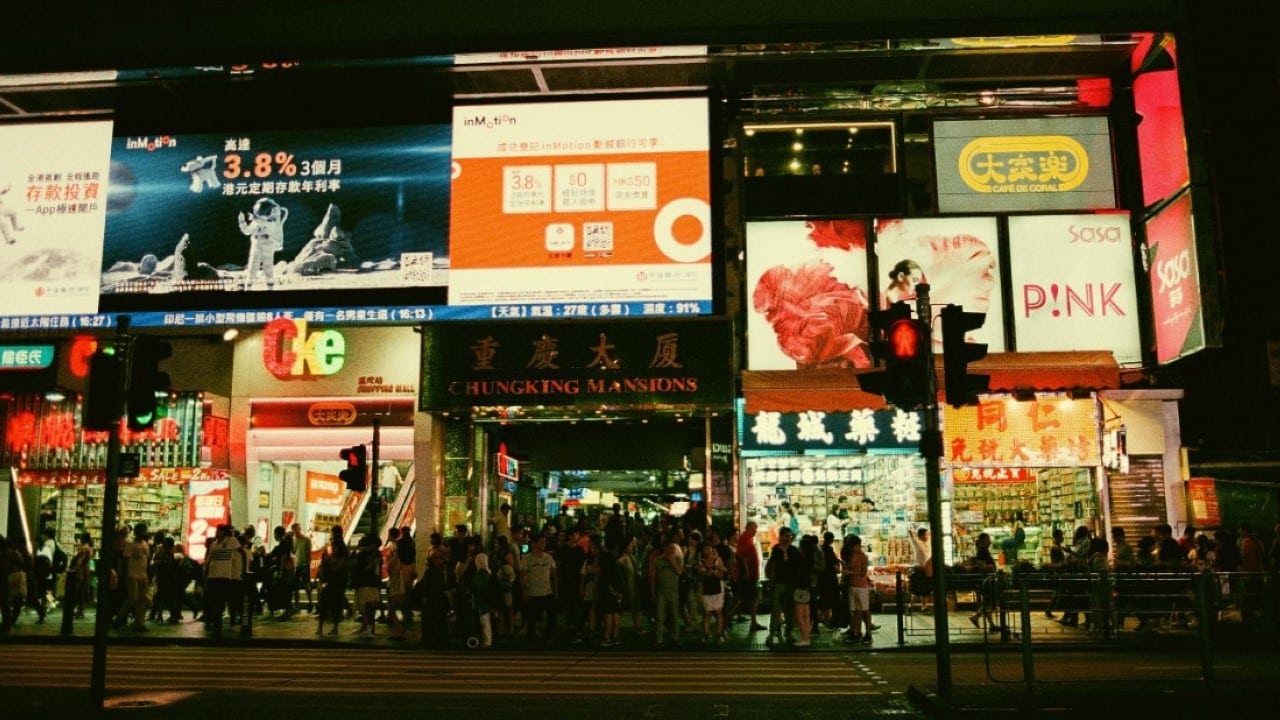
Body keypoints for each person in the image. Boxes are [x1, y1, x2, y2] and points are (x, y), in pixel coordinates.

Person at [203, 524, 243, 635]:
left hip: (224, 576)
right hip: (213, 576)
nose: (217, 533)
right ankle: (216, 624)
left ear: (224, 532)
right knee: (214, 601)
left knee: (220, 601)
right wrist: (205, 575)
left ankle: (218, 624)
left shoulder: (231, 541)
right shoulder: (213, 545)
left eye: (219, 531)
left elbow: (241, 551)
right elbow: (209, 561)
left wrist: (243, 569)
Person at [521, 534, 557, 646]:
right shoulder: (527, 559)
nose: (544, 544)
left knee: (550, 616)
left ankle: (548, 637)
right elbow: (522, 577)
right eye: (541, 542)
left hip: (547, 592)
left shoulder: (548, 558)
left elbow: (554, 575)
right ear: (534, 544)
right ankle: (532, 639)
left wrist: (556, 591)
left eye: (544, 542)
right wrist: (524, 592)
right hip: (533, 593)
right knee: (532, 617)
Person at [649, 532, 684, 649]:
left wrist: (672, 560)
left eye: (673, 548)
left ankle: (675, 637)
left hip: (673, 591)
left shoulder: (677, 559)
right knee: (660, 615)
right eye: (669, 548)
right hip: (661, 592)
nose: (671, 550)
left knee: (674, 615)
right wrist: (653, 591)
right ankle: (659, 640)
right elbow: (654, 577)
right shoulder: (658, 560)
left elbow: (679, 572)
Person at [764, 526, 797, 646]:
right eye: (786, 536)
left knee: (789, 611)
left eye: (790, 536)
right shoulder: (776, 550)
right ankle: (772, 633)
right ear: (781, 537)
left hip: (790, 583)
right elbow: (771, 565)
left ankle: (789, 633)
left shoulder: (794, 550)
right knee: (776, 610)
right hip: (778, 583)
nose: (788, 538)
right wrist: (771, 580)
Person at [732, 521, 766, 631]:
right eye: (754, 529)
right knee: (746, 597)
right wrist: (746, 571)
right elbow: (742, 556)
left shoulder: (748, 538)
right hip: (748, 575)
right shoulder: (745, 538)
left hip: (750, 574)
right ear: (748, 528)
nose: (756, 531)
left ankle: (752, 621)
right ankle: (727, 617)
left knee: (746, 597)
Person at [315, 527, 348, 636]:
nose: (332, 539)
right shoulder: (334, 549)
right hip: (333, 581)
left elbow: (337, 565)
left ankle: (326, 628)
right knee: (329, 604)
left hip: (334, 581)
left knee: (330, 604)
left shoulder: (340, 549)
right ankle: (327, 627)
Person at [842, 534, 874, 644]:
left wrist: (849, 572)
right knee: (855, 611)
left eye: (852, 546)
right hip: (853, 585)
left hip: (861, 586)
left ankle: (868, 633)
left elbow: (863, 573)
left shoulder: (863, 557)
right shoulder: (852, 556)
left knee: (865, 610)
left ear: (857, 545)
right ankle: (856, 632)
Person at [351, 534, 382, 637]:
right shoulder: (363, 555)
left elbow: (377, 570)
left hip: (372, 583)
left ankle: (369, 629)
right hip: (365, 583)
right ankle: (366, 629)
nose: (376, 548)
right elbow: (361, 570)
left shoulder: (377, 554)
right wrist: (373, 563)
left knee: (370, 608)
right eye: (375, 545)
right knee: (365, 608)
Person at [696, 541, 727, 644]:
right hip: (706, 590)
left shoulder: (717, 560)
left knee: (719, 612)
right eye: (706, 549)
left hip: (717, 589)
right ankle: (706, 634)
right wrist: (708, 570)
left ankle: (719, 634)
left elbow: (721, 575)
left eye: (709, 548)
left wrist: (714, 569)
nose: (708, 550)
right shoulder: (701, 562)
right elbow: (702, 575)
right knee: (707, 613)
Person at [967, 532, 998, 630]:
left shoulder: (983, 550)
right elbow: (982, 565)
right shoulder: (982, 551)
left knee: (987, 602)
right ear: (983, 541)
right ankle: (985, 622)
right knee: (988, 602)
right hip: (986, 579)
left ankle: (978, 618)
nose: (990, 542)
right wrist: (990, 567)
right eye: (988, 540)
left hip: (987, 579)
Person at [290, 523, 313, 612]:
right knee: (295, 585)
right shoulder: (294, 540)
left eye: (298, 529)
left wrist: (308, 563)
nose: (297, 531)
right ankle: (297, 604)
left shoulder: (306, 539)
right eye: (295, 529)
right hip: (297, 564)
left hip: (304, 564)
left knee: (306, 584)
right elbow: (293, 551)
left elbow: (309, 552)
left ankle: (310, 602)